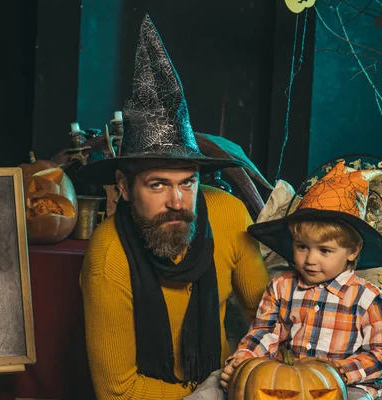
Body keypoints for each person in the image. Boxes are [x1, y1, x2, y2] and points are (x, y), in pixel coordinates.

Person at [76, 15, 270, 400]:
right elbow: (117, 393)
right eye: (158, 184)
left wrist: (249, 378)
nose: (177, 202)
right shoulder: (107, 258)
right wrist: (203, 394)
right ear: (124, 188)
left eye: (187, 183)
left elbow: (267, 319)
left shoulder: (229, 214)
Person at [220, 161, 382, 400]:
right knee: (217, 383)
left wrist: (342, 372)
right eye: (302, 247)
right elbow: (265, 333)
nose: (310, 260)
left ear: (352, 251)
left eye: (325, 251)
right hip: (288, 380)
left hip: (347, 386)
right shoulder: (281, 287)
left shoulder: (366, 297)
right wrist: (242, 362)